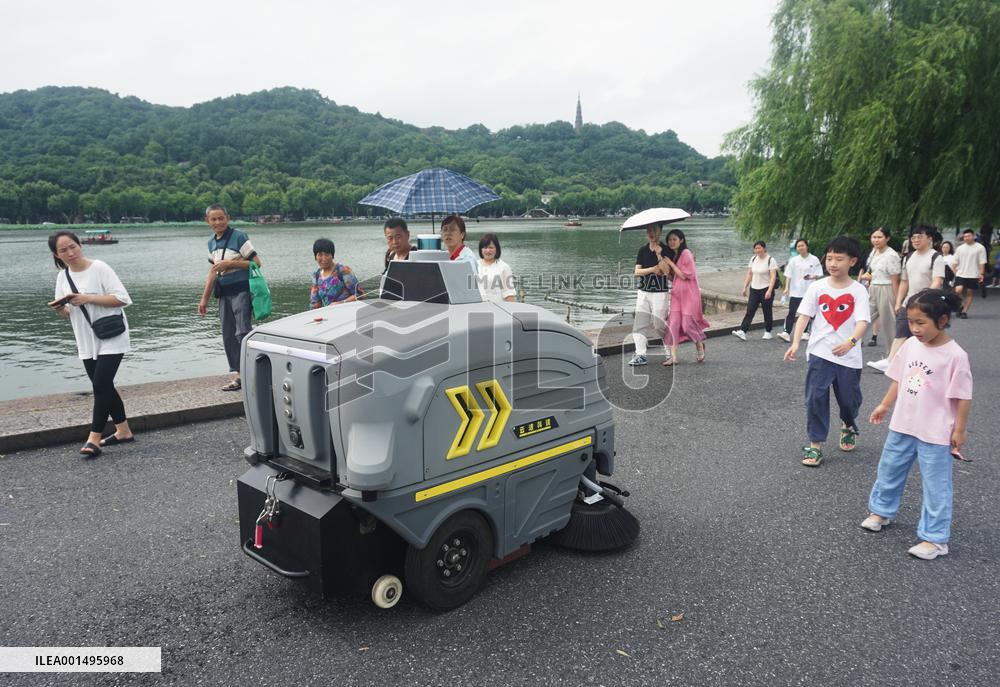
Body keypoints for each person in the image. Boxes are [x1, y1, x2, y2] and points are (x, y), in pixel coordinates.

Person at [862, 289, 972, 560]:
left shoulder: (955, 356)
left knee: (936, 485)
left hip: (935, 431)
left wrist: (959, 429)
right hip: (903, 424)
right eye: (911, 322)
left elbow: (963, 396)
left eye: (921, 322)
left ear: (943, 320)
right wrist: (885, 405)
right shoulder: (911, 345)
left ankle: (935, 538)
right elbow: (900, 378)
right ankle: (881, 511)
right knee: (889, 469)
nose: (915, 328)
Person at [783, 236, 870, 467]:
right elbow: (804, 316)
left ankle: (848, 424)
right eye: (829, 258)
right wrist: (795, 343)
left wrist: (851, 342)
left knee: (849, 401)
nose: (832, 263)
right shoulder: (817, 286)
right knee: (815, 398)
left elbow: (863, 322)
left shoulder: (858, 290)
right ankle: (815, 446)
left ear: (852, 261)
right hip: (820, 353)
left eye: (839, 259)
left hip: (848, 356)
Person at [48, 231, 135, 458]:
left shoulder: (99, 268)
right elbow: (69, 312)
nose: (70, 252)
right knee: (104, 386)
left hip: (112, 335)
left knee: (100, 384)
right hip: (86, 338)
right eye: (63, 250)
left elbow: (122, 298)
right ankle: (123, 430)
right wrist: (61, 309)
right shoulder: (62, 277)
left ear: (80, 245)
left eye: (73, 246)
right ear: (56, 255)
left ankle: (94, 438)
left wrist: (88, 298)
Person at [197, 204, 261, 392]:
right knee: (228, 336)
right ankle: (240, 376)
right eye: (213, 219)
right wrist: (204, 299)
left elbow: (256, 263)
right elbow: (213, 272)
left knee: (242, 332)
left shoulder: (239, 236)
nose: (218, 222)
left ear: (228, 218)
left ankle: (254, 374)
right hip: (223, 294)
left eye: (221, 218)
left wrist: (230, 263)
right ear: (207, 221)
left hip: (241, 290)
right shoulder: (211, 243)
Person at [867, 225, 944, 372]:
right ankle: (890, 361)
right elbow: (904, 281)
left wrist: (926, 298)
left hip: (928, 303)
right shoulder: (909, 257)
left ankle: (935, 361)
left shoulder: (936, 257)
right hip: (909, 301)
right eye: (913, 237)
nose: (915, 240)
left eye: (919, 237)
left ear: (929, 238)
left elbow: (937, 281)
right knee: (902, 330)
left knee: (927, 334)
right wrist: (899, 302)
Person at [659, 229, 709, 365]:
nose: (671, 242)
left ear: (681, 240)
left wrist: (670, 264)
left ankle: (699, 345)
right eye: (669, 240)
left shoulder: (686, 253)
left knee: (687, 326)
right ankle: (674, 358)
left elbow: (685, 275)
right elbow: (675, 278)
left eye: (674, 239)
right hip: (676, 295)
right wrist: (665, 272)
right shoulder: (673, 256)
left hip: (689, 295)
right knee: (673, 325)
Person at [627, 224, 670, 366]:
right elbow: (637, 272)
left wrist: (659, 255)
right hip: (643, 292)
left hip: (660, 293)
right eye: (649, 230)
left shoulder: (666, 250)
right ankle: (640, 354)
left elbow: (667, 272)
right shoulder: (643, 250)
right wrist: (652, 269)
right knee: (639, 324)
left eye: (654, 230)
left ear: (660, 232)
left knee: (659, 325)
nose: (651, 233)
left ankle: (669, 350)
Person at [857, 227, 901, 355]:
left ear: (887, 238)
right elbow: (871, 270)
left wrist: (897, 301)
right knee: (864, 318)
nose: (876, 240)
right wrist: (868, 277)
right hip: (873, 288)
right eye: (874, 237)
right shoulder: (874, 252)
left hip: (886, 289)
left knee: (889, 325)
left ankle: (892, 356)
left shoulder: (892, 255)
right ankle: (851, 346)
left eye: (879, 237)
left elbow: (895, 280)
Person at [777, 238, 823, 343]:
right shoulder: (794, 260)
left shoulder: (814, 259)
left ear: (807, 246)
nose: (800, 248)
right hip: (796, 291)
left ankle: (806, 332)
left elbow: (819, 273)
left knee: (808, 312)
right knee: (792, 312)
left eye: (802, 245)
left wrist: (811, 277)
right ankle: (786, 333)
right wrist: (786, 288)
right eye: (798, 246)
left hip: (809, 290)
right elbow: (788, 275)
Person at [732, 241, 779, 341]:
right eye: (756, 248)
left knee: (767, 311)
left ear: (764, 248)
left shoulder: (771, 260)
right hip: (754, 289)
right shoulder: (753, 259)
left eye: (759, 248)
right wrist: (745, 287)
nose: (757, 250)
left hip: (766, 289)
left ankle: (768, 331)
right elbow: (749, 274)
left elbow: (773, 277)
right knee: (750, 310)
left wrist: (769, 291)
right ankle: (743, 331)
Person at [310, 238, 361, 308]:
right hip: (327, 316)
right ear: (315, 257)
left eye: (327, 254)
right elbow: (315, 303)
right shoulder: (316, 275)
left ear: (332, 255)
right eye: (320, 255)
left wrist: (341, 303)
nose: (324, 258)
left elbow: (360, 295)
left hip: (347, 313)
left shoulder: (344, 271)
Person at [952, 228, 987, 318]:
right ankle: (960, 305)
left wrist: (981, 274)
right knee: (958, 290)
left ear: (973, 236)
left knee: (969, 292)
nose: (966, 238)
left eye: (968, 236)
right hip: (961, 273)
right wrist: (954, 271)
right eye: (965, 236)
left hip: (973, 274)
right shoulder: (960, 248)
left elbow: (982, 262)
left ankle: (964, 312)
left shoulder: (980, 248)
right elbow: (955, 262)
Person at [477, 233, 516, 302]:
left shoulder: (504, 267)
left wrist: (513, 310)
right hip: (476, 308)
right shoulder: (474, 265)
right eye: (485, 247)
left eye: (491, 247)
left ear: (496, 249)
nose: (488, 250)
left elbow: (508, 293)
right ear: (481, 249)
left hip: (498, 309)